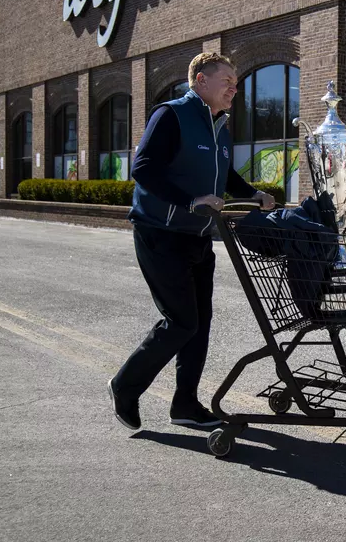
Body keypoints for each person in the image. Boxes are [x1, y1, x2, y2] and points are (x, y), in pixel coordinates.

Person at [107, 52, 275, 430]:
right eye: (227, 79)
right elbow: (144, 168)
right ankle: (124, 386)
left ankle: (185, 405)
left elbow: (224, 174)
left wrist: (253, 193)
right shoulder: (172, 115)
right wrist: (190, 200)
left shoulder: (220, 125)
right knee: (181, 321)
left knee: (199, 324)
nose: (235, 86)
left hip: (199, 236)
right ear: (201, 80)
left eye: (236, 81)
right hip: (160, 233)